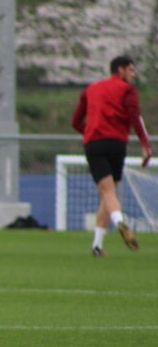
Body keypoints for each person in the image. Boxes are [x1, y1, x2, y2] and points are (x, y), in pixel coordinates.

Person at [72, 56, 151, 256]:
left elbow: (75, 121)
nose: (133, 74)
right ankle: (103, 240)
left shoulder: (91, 89)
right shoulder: (127, 90)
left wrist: (90, 132)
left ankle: (109, 233)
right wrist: (144, 144)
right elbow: (135, 116)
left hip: (94, 144)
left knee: (107, 194)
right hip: (116, 143)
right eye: (131, 70)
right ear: (120, 69)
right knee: (109, 193)